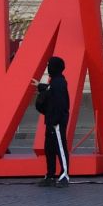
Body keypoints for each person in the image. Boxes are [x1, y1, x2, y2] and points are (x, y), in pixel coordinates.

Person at [33, 56, 72, 186]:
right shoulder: (55, 81)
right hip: (51, 121)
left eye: (50, 65)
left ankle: (64, 176)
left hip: (56, 122)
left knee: (60, 148)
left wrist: (55, 120)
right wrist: (40, 85)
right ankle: (50, 175)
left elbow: (60, 102)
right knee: (49, 149)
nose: (48, 67)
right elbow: (50, 90)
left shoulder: (59, 82)